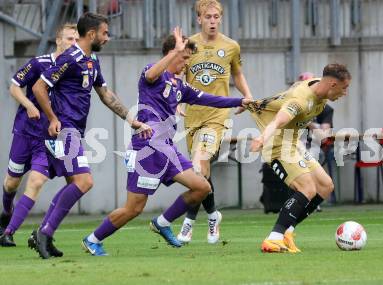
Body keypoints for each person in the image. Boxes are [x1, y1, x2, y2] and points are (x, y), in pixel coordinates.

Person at [81, 27, 251, 256]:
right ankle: (92, 239)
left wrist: (240, 100)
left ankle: (162, 222)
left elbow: (210, 99)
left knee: (202, 187)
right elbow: (151, 75)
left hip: (167, 149)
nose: (186, 64)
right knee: (134, 208)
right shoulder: (152, 74)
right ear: (172, 53)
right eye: (184, 58)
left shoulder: (180, 86)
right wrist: (174, 53)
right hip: (148, 149)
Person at [31, 12, 149, 259]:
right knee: (84, 182)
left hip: (74, 131)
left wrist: (132, 120)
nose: (108, 37)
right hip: (64, 130)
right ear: (92, 34)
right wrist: (53, 118)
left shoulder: (92, 60)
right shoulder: (70, 58)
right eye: (105, 33)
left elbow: (106, 95)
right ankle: (44, 233)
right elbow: (38, 87)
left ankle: (44, 233)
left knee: (76, 184)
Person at [248, 63, 351, 253]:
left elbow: (284, 94)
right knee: (307, 188)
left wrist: (256, 104)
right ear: (332, 85)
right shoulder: (301, 100)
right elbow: (280, 119)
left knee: (325, 185)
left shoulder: (319, 87)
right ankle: (273, 239)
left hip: (294, 143)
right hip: (277, 145)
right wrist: (262, 138)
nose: (345, 93)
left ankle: (288, 231)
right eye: (344, 88)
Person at [177, 0, 253, 245]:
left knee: (199, 165)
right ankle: (212, 215)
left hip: (217, 116)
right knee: (201, 173)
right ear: (199, 19)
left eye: (216, 16)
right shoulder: (189, 44)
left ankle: (188, 222)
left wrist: (247, 96)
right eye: (207, 17)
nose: (212, 21)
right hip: (192, 116)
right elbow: (178, 72)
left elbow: (238, 73)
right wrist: (176, 99)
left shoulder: (231, 46)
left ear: (220, 18)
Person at [0, 24, 78, 248]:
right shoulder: (39, 63)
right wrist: (28, 105)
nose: (73, 43)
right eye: (69, 39)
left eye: (76, 39)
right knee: (11, 182)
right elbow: (14, 86)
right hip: (25, 132)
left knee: (37, 180)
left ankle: (8, 232)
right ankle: (6, 211)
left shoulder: (75, 68)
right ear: (58, 40)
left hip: (49, 137)